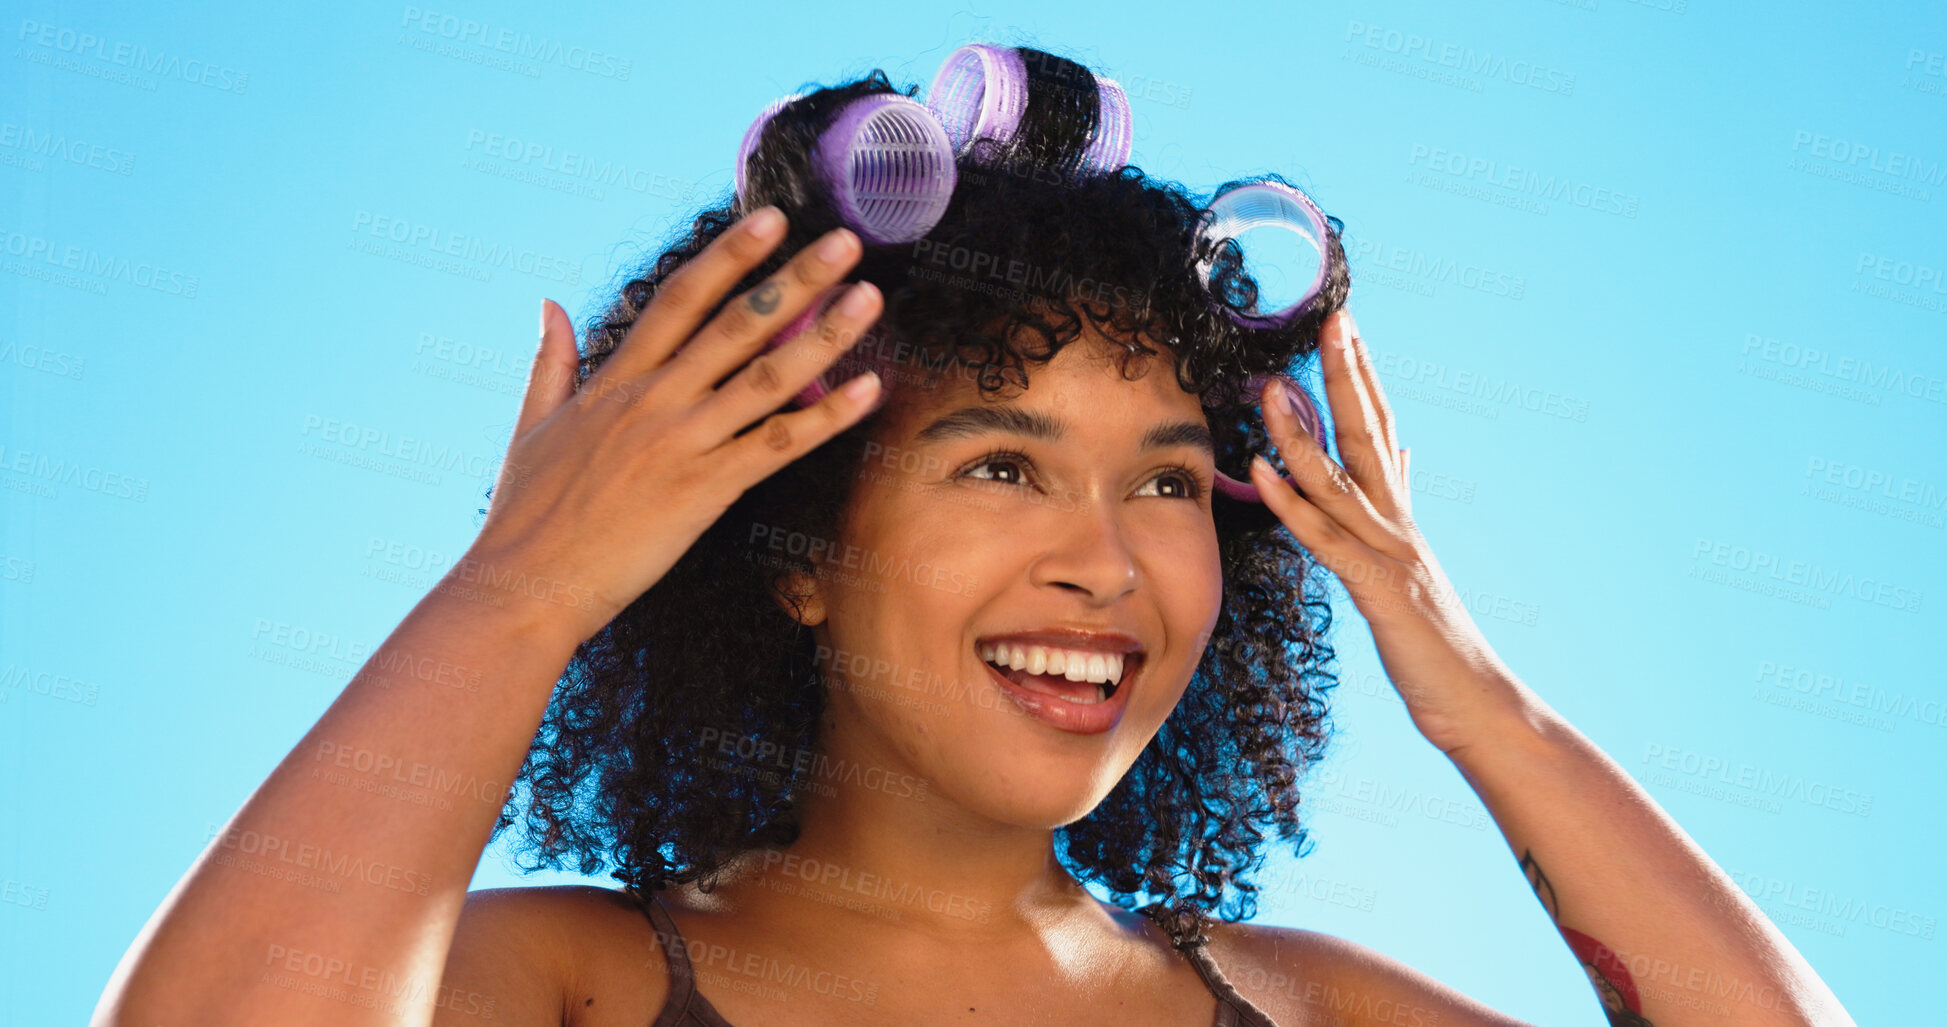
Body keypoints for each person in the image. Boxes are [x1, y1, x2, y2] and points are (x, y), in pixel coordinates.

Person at [93, 46, 1855, 1027]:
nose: (1109, 562)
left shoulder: (1304, 1015)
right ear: (791, 543)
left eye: (1168, 479)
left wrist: (1482, 703)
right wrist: (523, 589)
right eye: (1004, 467)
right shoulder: (575, 985)